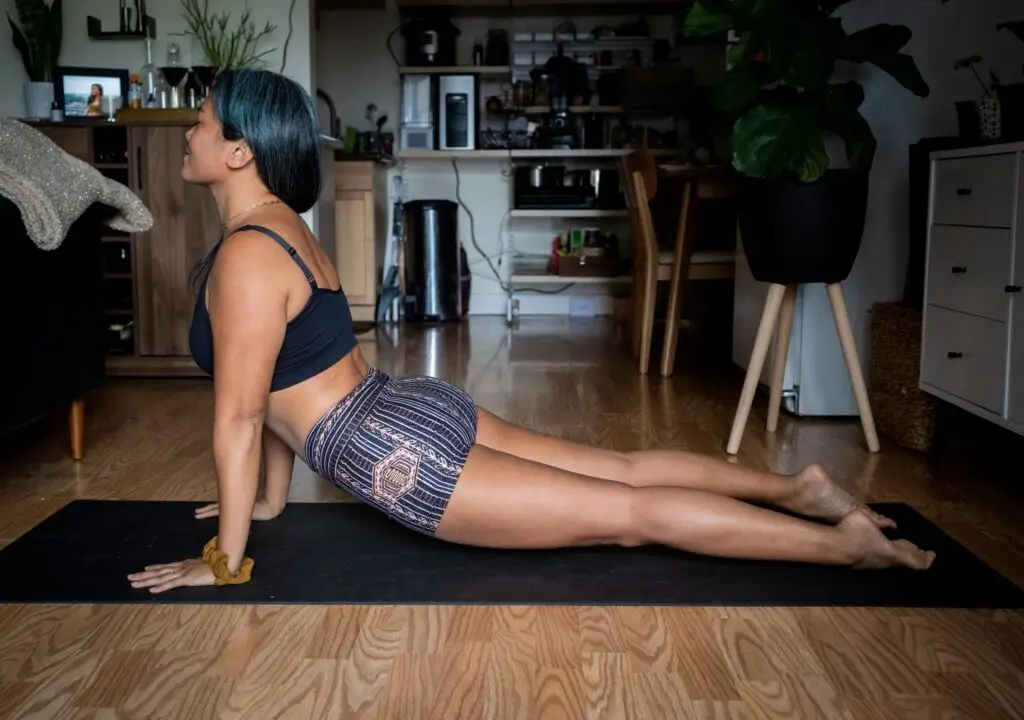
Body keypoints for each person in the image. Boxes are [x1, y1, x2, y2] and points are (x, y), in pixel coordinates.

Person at [127, 69, 934, 595]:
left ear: (238, 150)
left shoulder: (245, 257)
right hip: (406, 404)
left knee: (628, 516)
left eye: (200, 122)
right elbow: (276, 386)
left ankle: (846, 548)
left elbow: (239, 416)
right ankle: (800, 490)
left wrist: (227, 562)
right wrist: (269, 505)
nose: (189, 133)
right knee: (620, 472)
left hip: (393, 450)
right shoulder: (286, 230)